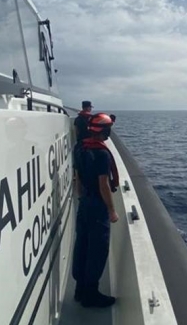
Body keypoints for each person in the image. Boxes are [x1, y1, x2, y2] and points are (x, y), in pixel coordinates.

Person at [72, 113, 120, 308]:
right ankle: (90, 295)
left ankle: (79, 289)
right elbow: (104, 185)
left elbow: (78, 177)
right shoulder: (101, 154)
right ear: (105, 131)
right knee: (97, 249)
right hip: (97, 206)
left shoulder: (79, 147)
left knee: (81, 244)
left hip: (84, 203)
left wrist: (81, 198)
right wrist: (112, 210)